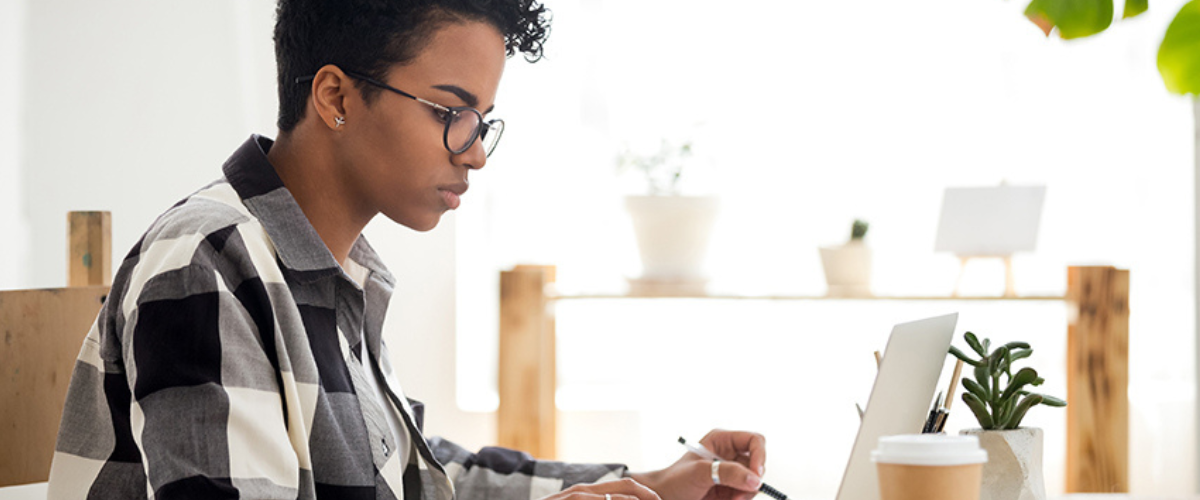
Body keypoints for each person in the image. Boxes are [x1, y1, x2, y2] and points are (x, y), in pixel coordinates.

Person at [47, 0, 767, 498]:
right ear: (335, 96)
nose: (477, 153)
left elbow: (421, 478)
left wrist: (646, 483)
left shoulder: (333, 273)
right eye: (454, 112)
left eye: (483, 120)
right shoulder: (207, 262)